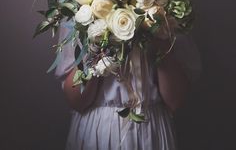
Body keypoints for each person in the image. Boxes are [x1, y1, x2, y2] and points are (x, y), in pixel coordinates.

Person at [55, 24, 202, 150]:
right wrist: (97, 43)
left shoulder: (168, 9)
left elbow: (175, 101)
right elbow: (77, 101)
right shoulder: (80, 10)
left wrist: (159, 37)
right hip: (97, 130)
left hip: (150, 129)